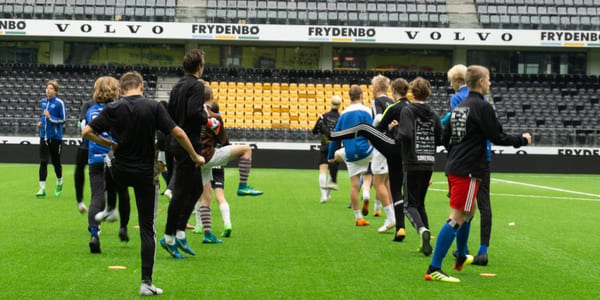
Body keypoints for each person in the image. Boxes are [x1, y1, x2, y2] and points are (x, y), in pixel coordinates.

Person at [83, 71, 205, 295]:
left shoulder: (113, 108)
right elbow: (177, 132)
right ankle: (146, 283)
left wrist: (109, 143)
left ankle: (111, 208)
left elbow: (87, 131)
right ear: (141, 87)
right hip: (145, 175)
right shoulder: (154, 107)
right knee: (147, 229)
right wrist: (195, 156)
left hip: (120, 171)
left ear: (121, 90)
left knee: (109, 162)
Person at [425, 65, 531, 283]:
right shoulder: (482, 107)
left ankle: (461, 255)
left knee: (469, 211)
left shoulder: (460, 106)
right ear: (481, 82)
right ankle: (434, 267)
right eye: (489, 79)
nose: (490, 83)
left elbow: (445, 139)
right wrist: (523, 139)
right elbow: (498, 137)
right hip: (469, 169)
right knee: (457, 218)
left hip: (454, 166)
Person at [329, 78, 411, 241]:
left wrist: (332, 152)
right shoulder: (407, 106)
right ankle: (385, 212)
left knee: (369, 182)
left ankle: (373, 214)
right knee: (388, 184)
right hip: (396, 150)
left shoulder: (370, 106)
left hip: (369, 148)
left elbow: (378, 122)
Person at [195, 83, 263, 244]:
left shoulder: (191, 115)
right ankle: (243, 186)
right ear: (212, 97)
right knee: (246, 149)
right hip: (210, 156)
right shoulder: (215, 116)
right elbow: (223, 141)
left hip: (196, 158)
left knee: (206, 198)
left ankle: (207, 233)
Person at [161, 48, 209, 259]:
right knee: (181, 192)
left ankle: (179, 232)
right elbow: (193, 112)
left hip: (175, 141)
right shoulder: (198, 86)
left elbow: (170, 115)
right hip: (188, 143)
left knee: (195, 187)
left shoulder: (177, 86)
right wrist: (205, 117)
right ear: (200, 65)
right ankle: (170, 236)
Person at [389, 77, 442, 256]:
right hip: (429, 162)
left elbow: (404, 134)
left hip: (412, 162)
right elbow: (440, 137)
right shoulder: (433, 113)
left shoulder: (408, 110)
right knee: (420, 203)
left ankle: (421, 230)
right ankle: (425, 240)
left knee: (409, 205)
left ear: (412, 92)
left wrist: (394, 129)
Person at [446, 64, 493, 266]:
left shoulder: (458, 99)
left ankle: (461, 250)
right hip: (484, 154)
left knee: (462, 209)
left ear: (458, 81)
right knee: (482, 204)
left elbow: (455, 127)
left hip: (465, 160)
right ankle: (483, 249)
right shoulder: (483, 100)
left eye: (451, 82)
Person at [84, 76, 131, 253]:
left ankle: (94, 234)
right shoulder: (119, 109)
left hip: (95, 158)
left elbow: (87, 132)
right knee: (123, 193)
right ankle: (123, 228)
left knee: (97, 196)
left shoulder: (91, 111)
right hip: (116, 159)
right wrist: (111, 144)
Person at [328, 85, 373, 226]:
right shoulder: (367, 110)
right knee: (368, 175)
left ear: (350, 97)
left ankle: (358, 217)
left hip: (350, 153)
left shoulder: (344, 114)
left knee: (354, 185)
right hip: (366, 151)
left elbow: (335, 137)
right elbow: (372, 132)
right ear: (361, 96)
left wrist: (330, 155)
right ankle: (366, 193)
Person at [369, 75, 395, 233]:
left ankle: (390, 217)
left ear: (377, 88)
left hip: (381, 143)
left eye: (372, 86)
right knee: (387, 183)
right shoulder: (392, 102)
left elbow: (378, 118)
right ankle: (394, 215)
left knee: (378, 182)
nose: (371, 89)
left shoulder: (376, 101)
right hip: (393, 143)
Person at [36, 80, 66, 198]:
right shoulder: (43, 102)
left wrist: (50, 117)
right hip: (44, 137)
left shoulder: (59, 103)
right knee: (43, 162)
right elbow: (43, 117)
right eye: (47, 88)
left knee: (56, 162)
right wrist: (40, 122)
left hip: (55, 138)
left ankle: (59, 181)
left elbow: (63, 120)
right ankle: (42, 188)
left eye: (51, 88)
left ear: (55, 91)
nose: (48, 90)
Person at [312, 95, 341, 203]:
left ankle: (323, 196)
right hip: (336, 147)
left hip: (325, 145)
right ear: (339, 105)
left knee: (323, 170)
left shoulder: (323, 116)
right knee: (332, 172)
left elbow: (314, 131)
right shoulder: (342, 118)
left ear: (330, 103)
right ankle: (328, 195)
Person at [74, 99, 95, 213]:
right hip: (89, 145)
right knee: (81, 169)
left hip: (98, 145)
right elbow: (82, 123)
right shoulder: (88, 104)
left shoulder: (112, 104)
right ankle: (80, 199)